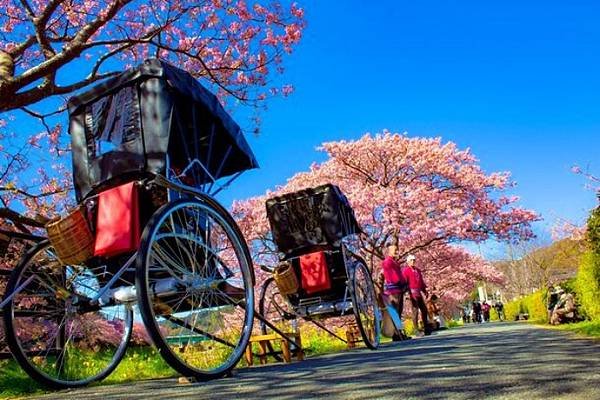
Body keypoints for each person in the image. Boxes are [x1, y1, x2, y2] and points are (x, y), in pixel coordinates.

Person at [380, 244, 409, 340]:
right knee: (395, 312)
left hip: (398, 288)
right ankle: (396, 334)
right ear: (389, 251)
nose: (397, 252)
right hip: (393, 289)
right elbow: (393, 276)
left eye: (397, 250)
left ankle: (398, 333)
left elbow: (399, 274)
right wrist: (401, 283)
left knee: (399, 311)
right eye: (395, 250)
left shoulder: (394, 262)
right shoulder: (387, 262)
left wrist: (404, 283)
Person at [402, 254, 431, 335]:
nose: (413, 261)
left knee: (424, 309)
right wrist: (407, 293)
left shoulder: (418, 270)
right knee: (415, 311)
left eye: (414, 260)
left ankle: (426, 328)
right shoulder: (406, 271)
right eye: (411, 260)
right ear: (408, 262)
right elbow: (405, 282)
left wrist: (425, 290)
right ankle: (416, 329)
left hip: (418, 292)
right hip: (412, 293)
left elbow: (421, 281)